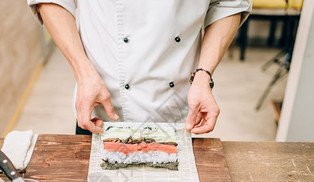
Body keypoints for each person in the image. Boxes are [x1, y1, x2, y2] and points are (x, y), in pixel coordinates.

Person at [28, 0, 251, 135]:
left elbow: (228, 4)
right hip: (102, 101)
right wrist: (83, 73)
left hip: (178, 103)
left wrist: (203, 76)